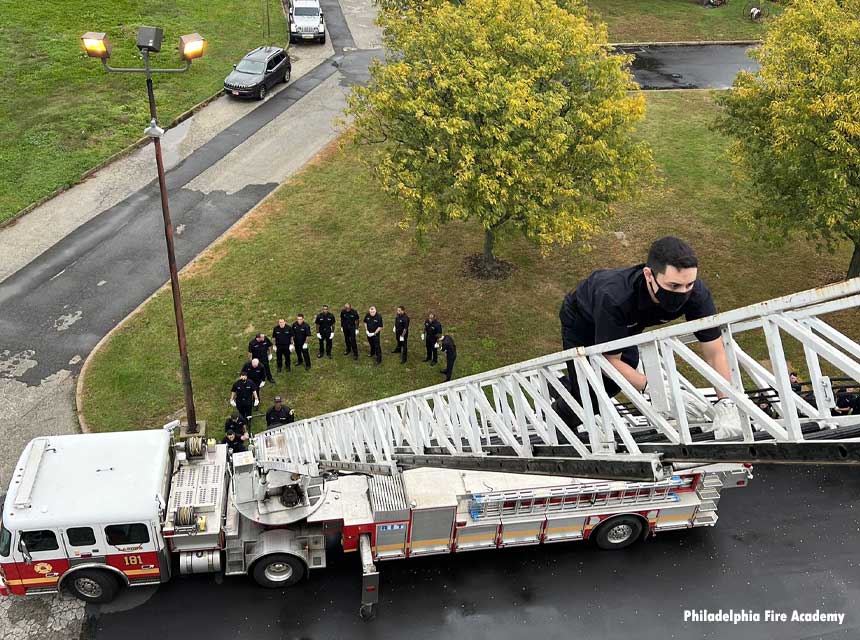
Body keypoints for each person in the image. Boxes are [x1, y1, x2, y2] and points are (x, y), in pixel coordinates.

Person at [557, 236, 742, 439]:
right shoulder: (616, 296)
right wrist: (657, 391)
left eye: (689, 284)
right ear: (649, 275)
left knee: (626, 366)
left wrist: (726, 402)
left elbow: (715, 351)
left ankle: (565, 389)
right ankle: (558, 422)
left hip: (628, 321)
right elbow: (609, 361)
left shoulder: (697, 294)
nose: (683, 293)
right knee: (589, 390)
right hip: (582, 319)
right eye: (673, 286)